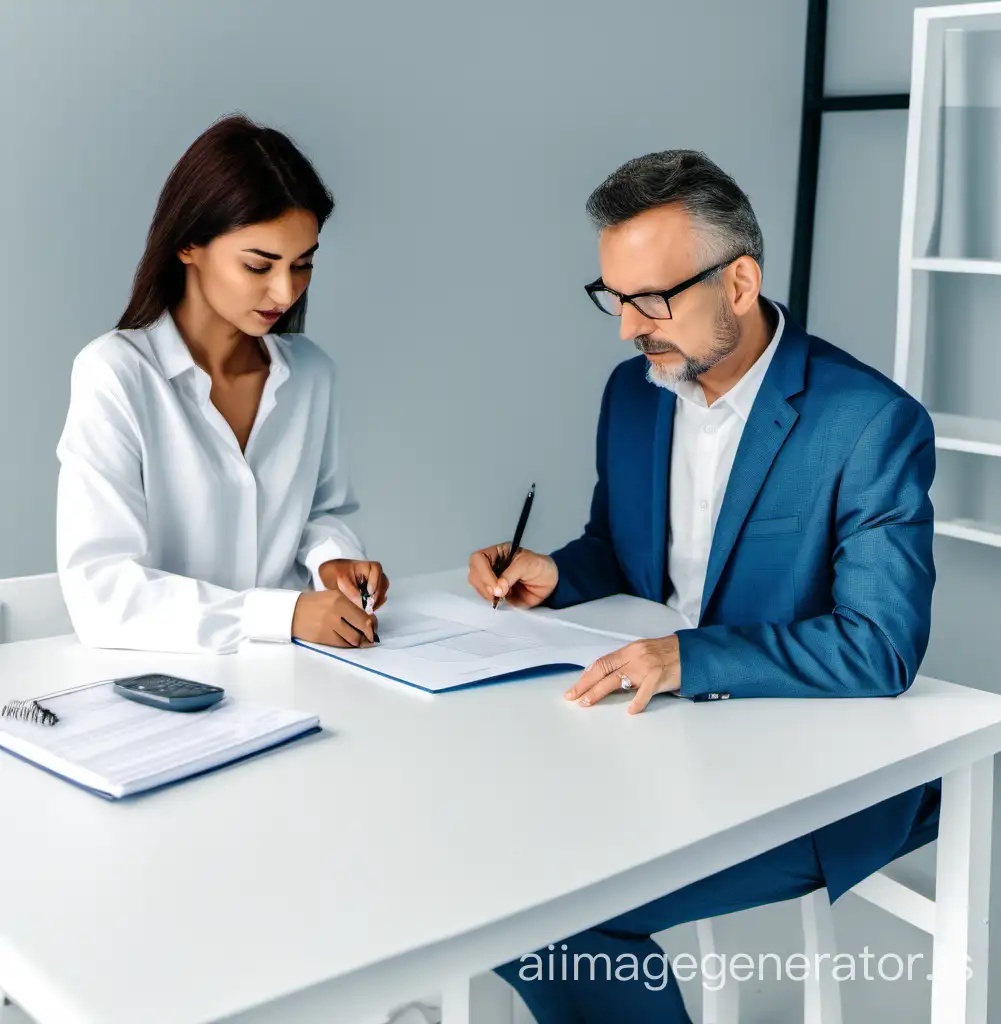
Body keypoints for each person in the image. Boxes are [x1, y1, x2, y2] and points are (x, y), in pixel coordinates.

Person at [468, 150, 941, 1022]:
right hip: (662, 748)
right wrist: (559, 574)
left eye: (651, 300)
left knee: (551, 920)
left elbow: (879, 646)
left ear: (740, 281)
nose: (626, 328)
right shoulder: (635, 392)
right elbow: (622, 550)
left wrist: (685, 658)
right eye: (613, 300)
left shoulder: (871, 423)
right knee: (481, 850)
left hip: (821, 779)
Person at [56, 114, 388, 655]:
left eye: (303, 264)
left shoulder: (310, 374)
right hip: (164, 688)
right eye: (259, 265)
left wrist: (333, 560)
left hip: (303, 672)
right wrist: (284, 614)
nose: (285, 292)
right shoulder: (115, 374)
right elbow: (102, 594)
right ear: (189, 245)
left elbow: (320, 512)